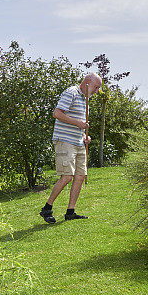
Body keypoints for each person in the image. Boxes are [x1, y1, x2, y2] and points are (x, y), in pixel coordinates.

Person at [40, 73, 102, 224]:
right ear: (88, 82)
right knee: (67, 176)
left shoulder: (85, 100)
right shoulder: (71, 93)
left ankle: (70, 212)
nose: (97, 91)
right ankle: (46, 209)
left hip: (78, 142)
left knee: (80, 176)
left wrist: (85, 137)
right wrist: (78, 124)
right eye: (96, 87)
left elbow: (80, 125)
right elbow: (57, 114)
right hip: (65, 141)